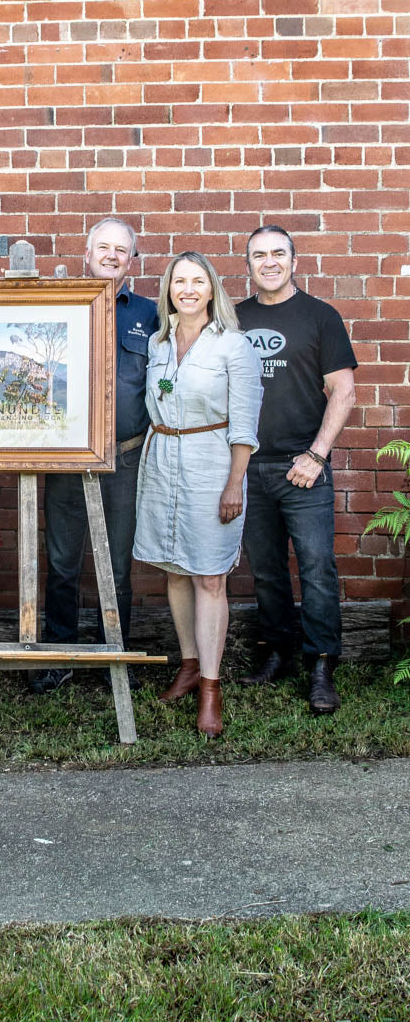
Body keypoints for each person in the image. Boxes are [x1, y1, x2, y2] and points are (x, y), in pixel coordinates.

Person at [132, 253, 262, 736]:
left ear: (212, 290)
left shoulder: (234, 345)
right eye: (179, 281)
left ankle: (211, 686)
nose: (188, 289)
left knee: (209, 576)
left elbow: (246, 424)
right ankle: (188, 665)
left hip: (213, 462)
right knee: (174, 569)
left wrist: (234, 483)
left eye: (198, 282)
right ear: (168, 289)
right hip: (163, 459)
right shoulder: (158, 343)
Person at [30, 217, 158, 693]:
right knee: (63, 563)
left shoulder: (150, 314)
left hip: (124, 460)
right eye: (102, 247)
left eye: (120, 250)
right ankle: (60, 657)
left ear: (132, 261)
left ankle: (113, 660)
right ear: (85, 253)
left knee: (118, 566)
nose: (110, 256)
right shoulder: (57, 305)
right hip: (64, 458)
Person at [237, 226, 357, 714]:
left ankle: (322, 663)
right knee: (265, 572)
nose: (269, 262)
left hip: (303, 468)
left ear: (293, 260)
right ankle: (275, 652)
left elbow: (343, 391)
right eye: (259, 255)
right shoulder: (233, 319)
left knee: (317, 570)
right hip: (249, 467)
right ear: (247, 263)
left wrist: (317, 454)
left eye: (278, 254)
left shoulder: (320, 317)